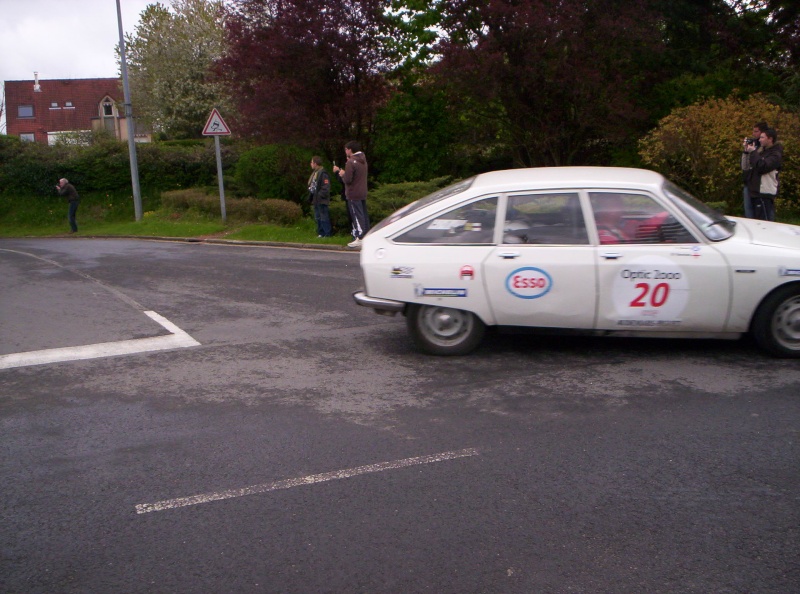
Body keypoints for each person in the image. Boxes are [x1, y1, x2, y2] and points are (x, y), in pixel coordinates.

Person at [333, 140, 369, 248]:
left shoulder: (350, 162)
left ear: (350, 150)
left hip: (353, 193)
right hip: (362, 191)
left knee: (356, 215)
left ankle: (360, 237)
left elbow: (348, 180)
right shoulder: (363, 160)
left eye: (346, 149)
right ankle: (366, 235)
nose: (345, 151)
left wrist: (342, 174)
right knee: (363, 214)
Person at [745, 127, 783, 222]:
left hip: (764, 193)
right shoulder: (761, 151)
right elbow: (747, 167)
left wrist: (753, 152)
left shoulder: (775, 154)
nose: (759, 139)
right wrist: (746, 152)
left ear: (770, 139)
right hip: (754, 191)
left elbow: (762, 167)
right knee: (754, 222)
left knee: (765, 223)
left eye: (762, 137)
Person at [741, 121, 768, 218]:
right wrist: (746, 151)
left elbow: (760, 165)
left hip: (758, 185)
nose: (754, 134)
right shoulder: (753, 144)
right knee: (748, 212)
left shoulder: (766, 148)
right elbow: (745, 167)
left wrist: (754, 151)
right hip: (748, 181)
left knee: (760, 215)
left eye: (756, 132)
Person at [308, 156, 332, 237]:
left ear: (315, 163)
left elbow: (325, 187)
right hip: (315, 199)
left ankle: (327, 233)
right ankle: (321, 232)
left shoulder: (323, 173)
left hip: (321, 199)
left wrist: (319, 195)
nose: (310, 164)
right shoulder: (315, 173)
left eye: (311, 162)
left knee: (323, 216)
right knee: (318, 217)